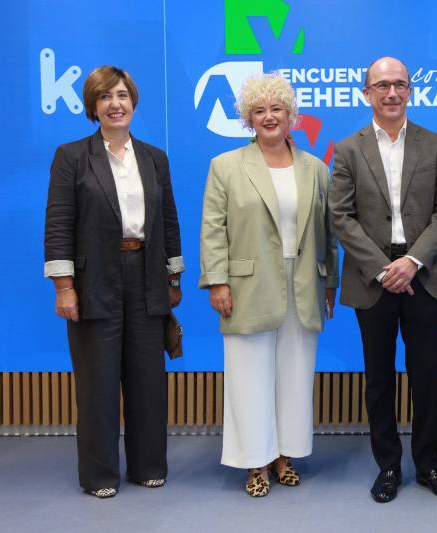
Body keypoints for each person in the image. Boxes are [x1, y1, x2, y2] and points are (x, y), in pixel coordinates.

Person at [44, 66, 184, 498]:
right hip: (94, 281)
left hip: (147, 277)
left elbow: (169, 222)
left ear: (133, 102)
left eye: (122, 95)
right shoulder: (71, 156)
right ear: (93, 107)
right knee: (97, 381)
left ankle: (147, 466)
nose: (115, 104)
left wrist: (173, 276)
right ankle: (100, 475)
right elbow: (59, 224)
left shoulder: (155, 158)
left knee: (148, 380)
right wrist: (64, 287)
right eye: (105, 97)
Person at [329, 57, 437, 503]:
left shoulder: (436, 143)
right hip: (374, 278)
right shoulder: (348, 149)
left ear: (410, 92)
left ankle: (429, 465)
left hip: (426, 275)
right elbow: (340, 217)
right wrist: (384, 267)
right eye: (381, 85)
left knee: (428, 376)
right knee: (379, 378)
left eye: (399, 85)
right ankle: (388, 465)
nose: (391, 93)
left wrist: (414, 261)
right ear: (366, 92)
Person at [199, 72, 338, 498]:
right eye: (259, 110)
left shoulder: (316, 168)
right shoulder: (225, 166)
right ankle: (255, 461)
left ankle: (285, 455)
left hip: (303, 284)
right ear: (247, 119)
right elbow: (212, 229)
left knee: (295, 376)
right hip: (246, 286)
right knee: (249, 376)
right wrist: (217, 282)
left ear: (291, 115)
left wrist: (329, 282)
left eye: (277, 108)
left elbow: (328, 231)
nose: (269, 116)